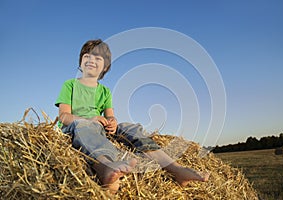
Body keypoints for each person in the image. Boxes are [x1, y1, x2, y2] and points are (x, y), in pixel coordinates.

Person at [55, 39, 209, 194]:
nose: (91, 60)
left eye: (97, 58)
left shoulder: (105, 92)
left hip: (99, 127)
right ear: (80, 61)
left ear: (105, 67)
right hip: (77, 127)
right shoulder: (70, 85)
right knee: (86, 126)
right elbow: (63, 117)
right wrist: (89, 119)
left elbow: (110, 117)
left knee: (129, 127)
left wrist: (112, 123)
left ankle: (175, 169)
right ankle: (105, 167)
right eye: (87, 56)